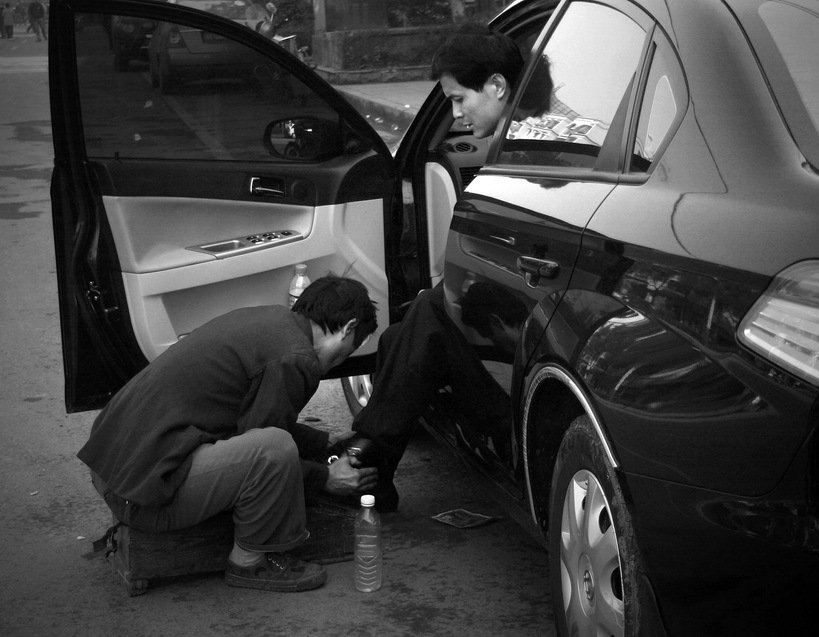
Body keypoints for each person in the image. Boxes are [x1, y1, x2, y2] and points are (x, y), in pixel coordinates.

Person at [338, 30, 547, 512]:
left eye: (458, 99)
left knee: (429, 313)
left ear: (497, 86)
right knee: (408, 328)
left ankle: (368, 458)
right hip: (522, 348)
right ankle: (371, 460)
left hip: (528, 374)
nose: (454, 115)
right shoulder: (545, 137)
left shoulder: (526, 157)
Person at [78, 276, 380, 592]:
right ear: (348, 328)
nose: (340, 361)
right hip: (141, 496)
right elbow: (266, 447)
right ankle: (250, 562)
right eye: (348, 350)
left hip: (112, 470)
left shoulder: (270, 323)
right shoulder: (296, 358)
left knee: (273, 446)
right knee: (275, 449)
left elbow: (247, 418)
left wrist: (322, 442)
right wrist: (325, 478)